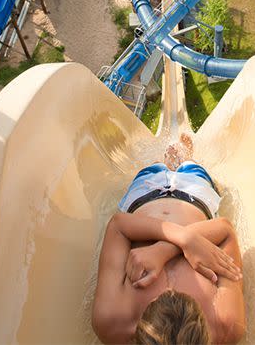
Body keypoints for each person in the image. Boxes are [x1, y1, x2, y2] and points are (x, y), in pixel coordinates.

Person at [92, 137, 246, 344]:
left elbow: (118, 225)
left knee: (154, 167)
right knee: (192, 167)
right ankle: (186, 159)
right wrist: (176, 244)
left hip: (144, 193)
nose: (170, 289)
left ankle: (165, 160)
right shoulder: (225, 324)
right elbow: (225, 230)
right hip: (196, 195)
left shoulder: (111, 321)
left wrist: (175, 245)